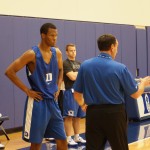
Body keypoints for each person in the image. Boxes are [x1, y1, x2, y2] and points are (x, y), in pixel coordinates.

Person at [73, 34, 150, 150]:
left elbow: (77, 93)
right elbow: (135, 94)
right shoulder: (120, 68)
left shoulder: (85, 65)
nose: (117, 51)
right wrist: (143, 83)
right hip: (115, 114)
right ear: (112, 47)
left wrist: (83, 104)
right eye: (117, 47)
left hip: (93, 114)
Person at [5, 23, 68, 150]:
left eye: (56, 35)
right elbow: (9, 72)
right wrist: (27, 91)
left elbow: (61, 70)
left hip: (53, 102)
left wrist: (58, 85)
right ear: (43, 35)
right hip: (38, 103)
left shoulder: (58, 53)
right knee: (36, 143)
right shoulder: (31, 54)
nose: (55, 38)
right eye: (52, 35)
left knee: (62, 139)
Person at [63, 44, 86, 146]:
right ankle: (68, 138)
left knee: (78, 117)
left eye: (74, 50)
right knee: (69, 116)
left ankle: (77, 136)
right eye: (71, 50)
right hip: (70, 92)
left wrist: (78, 74)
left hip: (80, 92)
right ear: (67, 52)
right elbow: (72, 77)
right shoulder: (66, 63)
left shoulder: (79, 63)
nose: (73, 52)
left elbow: (84, 76)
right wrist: (79, 74)